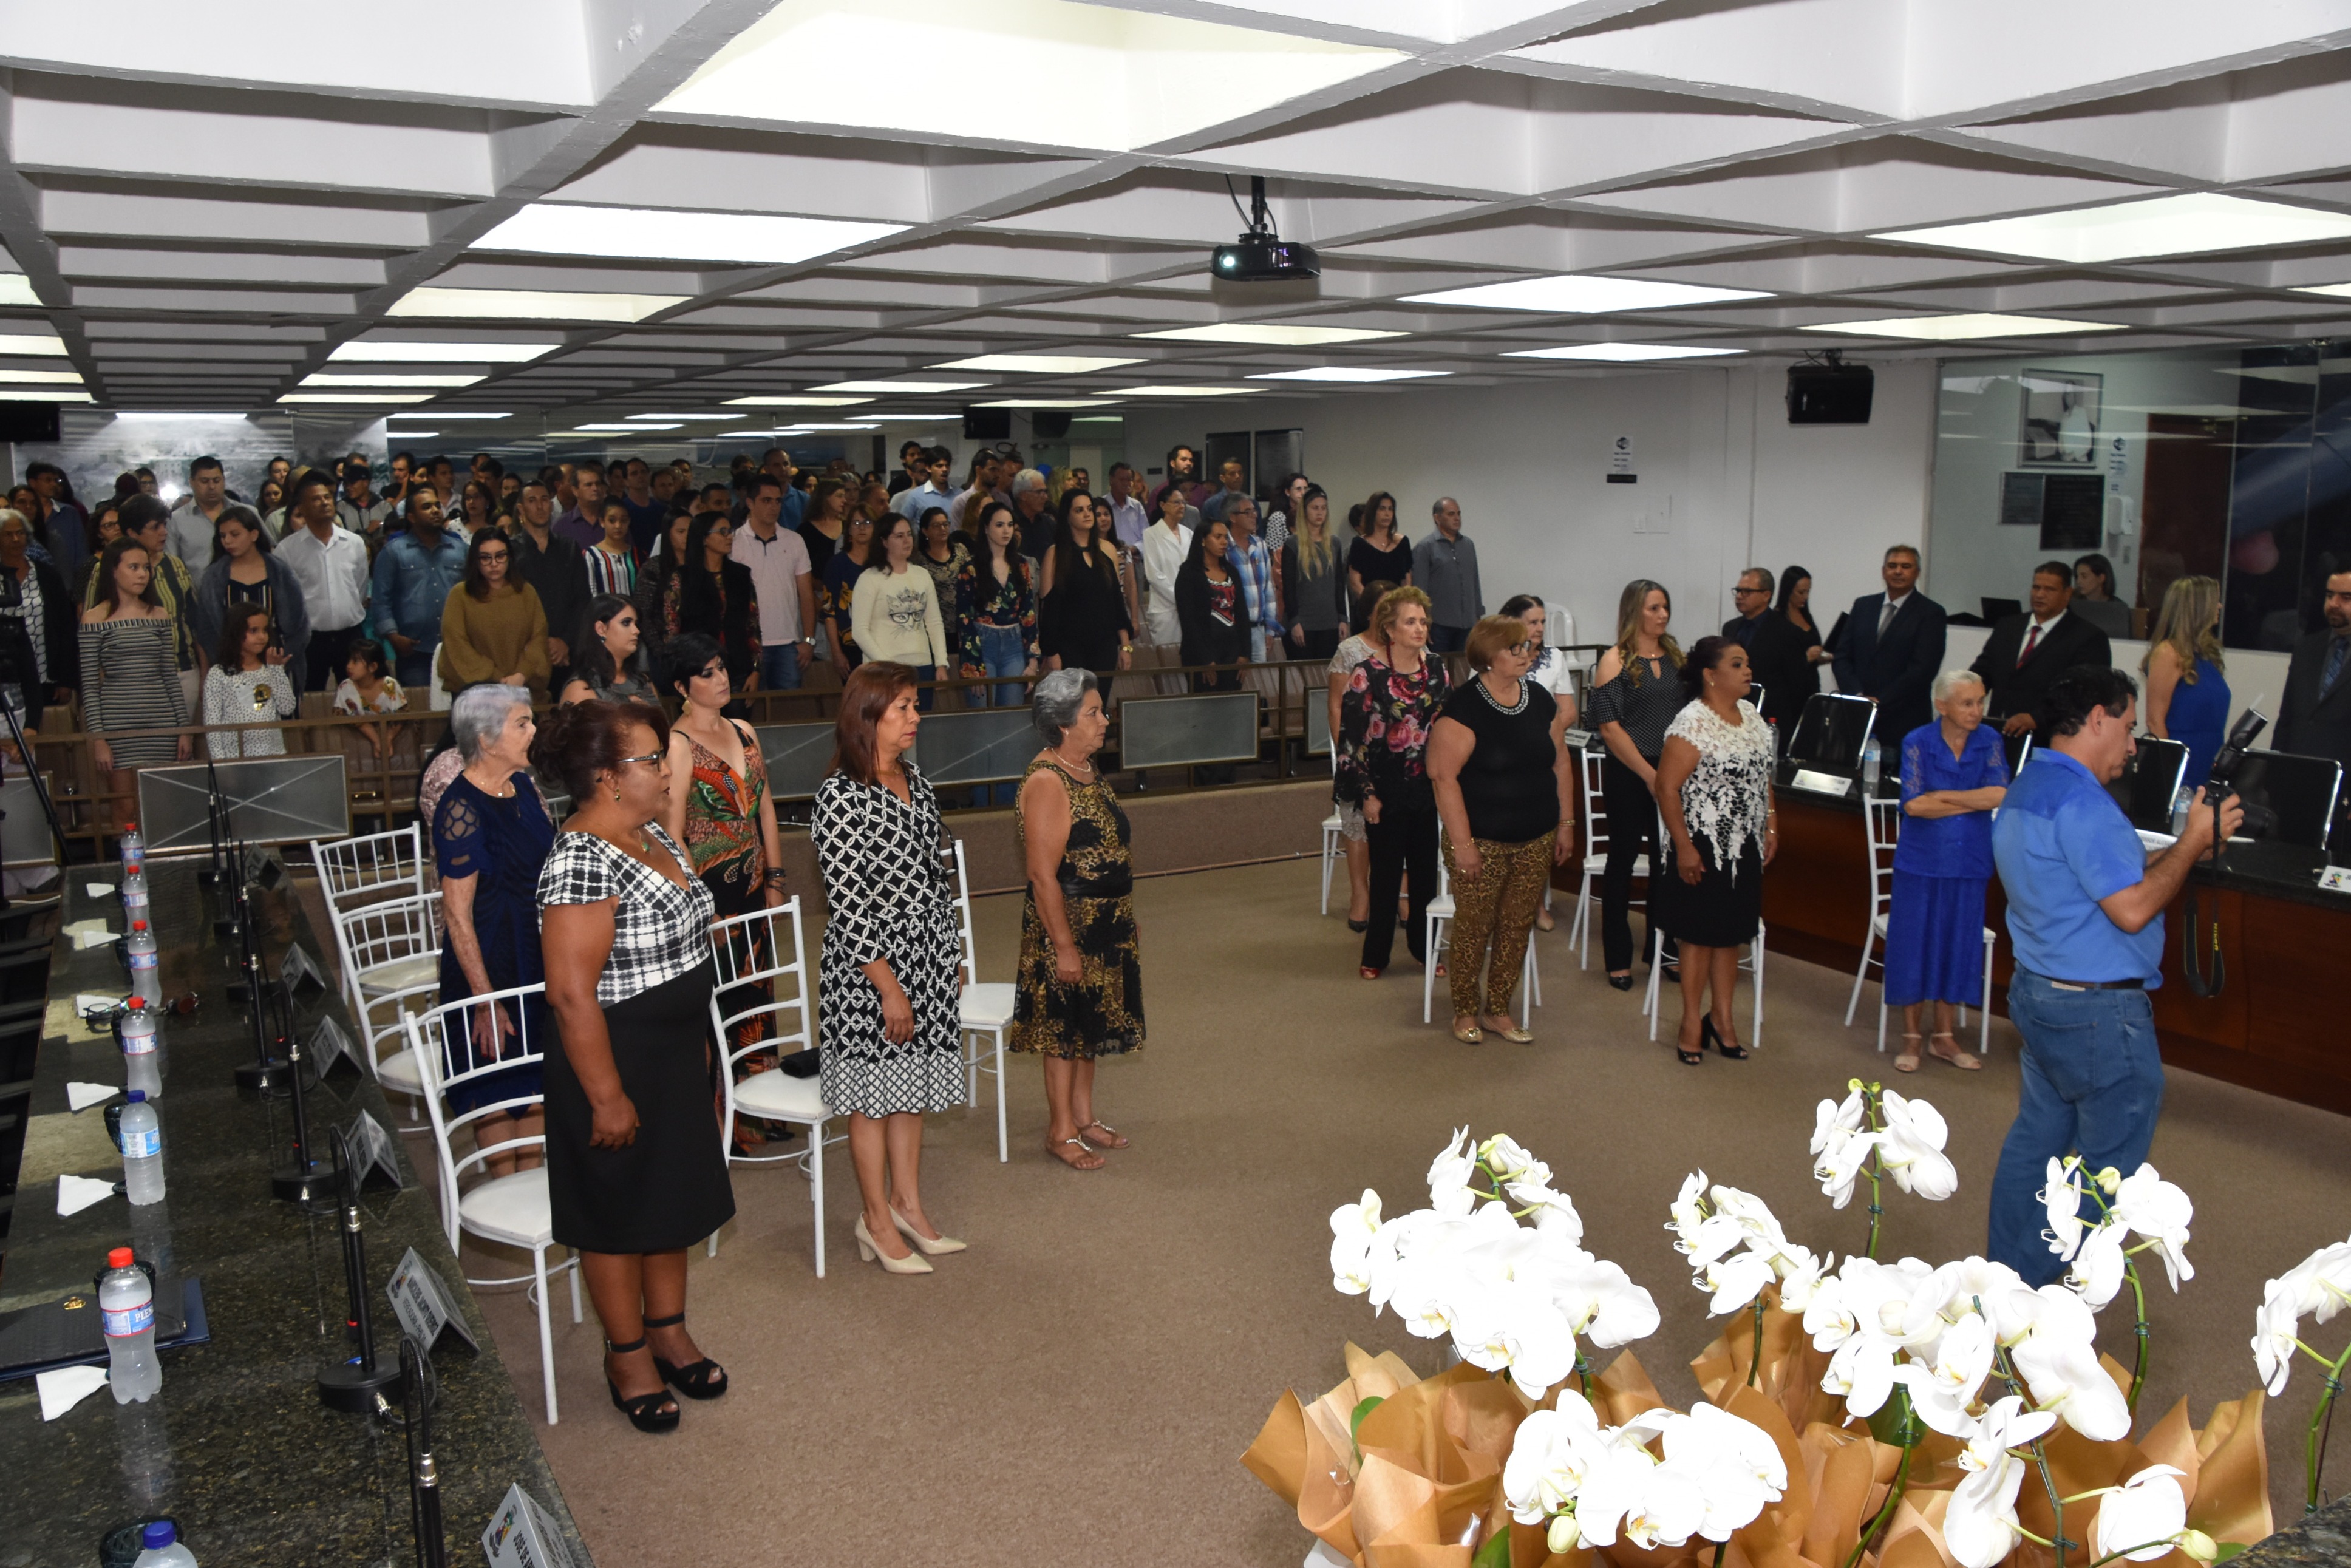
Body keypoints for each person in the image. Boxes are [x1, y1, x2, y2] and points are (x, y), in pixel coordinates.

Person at [1985, 667, 2244, 1285]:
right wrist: (2190, 844)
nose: (2132, 745)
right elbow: (2130, 909)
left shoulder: (2029, 785)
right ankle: (2023, 1303)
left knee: (2036, 1146)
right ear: (2097, 719)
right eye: (2127, 728)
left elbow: (2105, 873)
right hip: (2097, 1016)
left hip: (2040, 995)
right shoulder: (2084, 803)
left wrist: (2185, 847)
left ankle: (1998, 1283)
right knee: (2106, 1173)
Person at [534, 699, 735, 1433]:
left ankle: (668, 1331)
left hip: (671, 1054)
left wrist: (698, 1043)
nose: (666, 770)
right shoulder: (581, 859)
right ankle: (626, 1357)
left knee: (669, 1200)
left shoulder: (650, 835)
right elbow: (570, 994)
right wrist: (607, 1098)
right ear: (608, 777)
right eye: (651, 760)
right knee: (618, 1214)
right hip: (612, 1061)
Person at [811, 664, 967, 1274]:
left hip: (925, 953)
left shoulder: (915, 779)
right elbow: (848, 904)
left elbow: (934, 875)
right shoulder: (839, 796)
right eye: (902, 707)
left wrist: (950, 952)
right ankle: (874, 1219)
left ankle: (908, 1204)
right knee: (873, 1096)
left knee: (911, 1086)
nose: (914, 717)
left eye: (914, 705)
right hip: (869, 968)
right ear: (867, 715)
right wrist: (889, 989)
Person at [1010, 670, 1143, 1170]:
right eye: (1093, 712)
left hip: (1106, 923)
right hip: (1067, 924)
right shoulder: (1048, 780)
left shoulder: (1084, 767)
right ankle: (1060, 1130)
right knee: (1063, 1031)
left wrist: (1124, 915)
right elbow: (1042, 875)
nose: (1105, 719)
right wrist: (1064, 946)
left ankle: (1084, 1117)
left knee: (1090, 1024)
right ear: (1063, 723)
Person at [1426, 614, 1572, 1045]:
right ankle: (1465, 1010)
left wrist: (1566, 823)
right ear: (1489, 657)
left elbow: (1560, 761)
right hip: (1481, 840)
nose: (1526, 654)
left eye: (1527, 646)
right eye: (1515, 648)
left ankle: (1498, 1010)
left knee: (1517, 924)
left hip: (1537, 836)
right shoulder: (1464, 707)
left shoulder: (1539, 699)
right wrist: (1463, 845)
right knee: (1475, 926)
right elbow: (1443, 778)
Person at [434, 685, 552, 1182]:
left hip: (533, 955)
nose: (533, 730)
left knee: (537, 1082)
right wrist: (485, 1000)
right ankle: (508, 1194)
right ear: (485, 739)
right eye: (522, 723)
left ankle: (533, 1192)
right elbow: (457, 915)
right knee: (497, 1089)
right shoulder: (460, 808)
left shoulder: (521, 786)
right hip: (487, 966)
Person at [1651, 636, 1775, 1066]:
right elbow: (1666, 787)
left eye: (1747, 663)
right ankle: (1690, 1021)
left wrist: (1771, 823)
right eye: (1737, 664)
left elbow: (1763, 777)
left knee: (1730, 935)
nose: (1747, 670)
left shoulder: (1752, 716)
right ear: (1710, 675)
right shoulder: (1693, 722)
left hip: (1746, 844)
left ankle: (1722, 1019)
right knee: (1700, 935)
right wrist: (1684, 847)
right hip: (1701, 843)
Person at [1883, 670, 2010, 1072]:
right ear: (1942, 706)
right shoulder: (1917, 741)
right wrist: (1969, 801)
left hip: (1969, 861)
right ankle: (1911, 1037)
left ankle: (1944, 1035)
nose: (1977, 710)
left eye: (1980, 701)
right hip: (1920, 862)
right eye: (1967, 703)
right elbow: (1915, 805)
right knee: (1915, 945)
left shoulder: (1990, 741)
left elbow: (2000, 794)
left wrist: (1945, 796)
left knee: (1958, 944)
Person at [1338, 586, 1449, 980]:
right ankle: (1376, 955)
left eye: (1423, 621)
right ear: (1390, 628)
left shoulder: (1436, 668)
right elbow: (1351, 743)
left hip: (1426, 789)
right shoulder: (1366, 673)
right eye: (1410, 622)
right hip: (1383, 790)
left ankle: (1424, 948)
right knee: (1385, 878)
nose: (1419, 628)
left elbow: (1447, 727)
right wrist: (1367, 794)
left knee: (1425, 876)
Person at [1587, 579, 1684, 991]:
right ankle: (1618, 958)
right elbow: (1610, 729)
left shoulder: (1676, 657)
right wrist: (1649, 775)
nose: (1663, 615)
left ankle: (1663, 950)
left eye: (1665, 607)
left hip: (1671, 772)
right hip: (1630, 772)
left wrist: (1669, 776)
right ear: (1634, 611)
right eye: (1654, 608)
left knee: (1669, 863)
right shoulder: (1615, 660)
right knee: (1623, 861)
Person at [80, 540, 192, 816]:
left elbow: (169, 676)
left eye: (146, 568)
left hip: (161, 724)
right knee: (125, 808)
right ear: (113, 570)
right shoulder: (93, 619)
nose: (143, 574)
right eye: (134, 567)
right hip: (118, 727)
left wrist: (183, 729)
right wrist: (99, 739)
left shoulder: (159, 614)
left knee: (162, 808)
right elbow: (90, 685)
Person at [1970, 560, 2113, 737]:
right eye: (2036, 588)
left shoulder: (2088, 637)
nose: (2040, 595)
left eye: (2050, 590)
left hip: (2050, 738)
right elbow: (1982, 672)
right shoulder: (2008, 626)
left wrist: (2037, 718)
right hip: (1999, 731)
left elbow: (2085, 695)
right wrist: (1960, 695)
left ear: (2067, 593)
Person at [1327, 582, 1398, 931]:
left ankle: (1401, 894)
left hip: (1400, 751)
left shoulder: (1412, 646)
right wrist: (1349, 755)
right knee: (1358, 824)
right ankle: (1361, 894)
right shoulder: (1350, 650)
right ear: (1370, 613)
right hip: (1359, 751)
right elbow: (1336, 707)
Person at [1832, 545, 1947, 753]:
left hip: (1903, 721)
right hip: (1857, 716)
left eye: (1906, 566)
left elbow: (1922, 670)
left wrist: (1879, 703)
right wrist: (1858, 696)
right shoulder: (1863, 606)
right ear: (1884, 571)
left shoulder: (1931, 613)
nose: (1898, 571)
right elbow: (1841, 657)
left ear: (1917, 573)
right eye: (1892, 566)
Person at [189, 507, 310, 694]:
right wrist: (229, 662)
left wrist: (283, 658)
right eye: (223, 536)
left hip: (278, 662)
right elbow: (206, 629)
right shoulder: (214, 577)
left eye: (235, 534)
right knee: (244, 713)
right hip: (232, 668)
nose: (227, 541)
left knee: (281, 711)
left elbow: (301, 624)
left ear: (254, 535)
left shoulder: (280, 571)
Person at [275, 471, 372, 693]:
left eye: (328, 497)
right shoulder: (287, 550)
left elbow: (359, 587)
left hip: (351, 636)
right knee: (310, 698)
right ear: (302, 507)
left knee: (359, 697)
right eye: (316, 499)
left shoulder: (354, 543)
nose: (325, 502)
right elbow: (285, 599)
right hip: (310, 640)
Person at [370, 483, 468, 690]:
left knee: (461, 706)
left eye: (437, 506)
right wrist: (394, 637)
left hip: (457, 649)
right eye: (426, 507)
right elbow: (381, 601)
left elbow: (474, 596)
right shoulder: (393, 553)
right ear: (412, 517)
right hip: (414, 652)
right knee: (420, 708)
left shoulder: (461, 550)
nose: (435, 510)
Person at [437, 529, 551, 699]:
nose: (494, 564)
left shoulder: (526, 592)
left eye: (500, 556)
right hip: (476, 696)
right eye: (485, 558)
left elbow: (538, 638)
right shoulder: (460, 595)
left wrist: (522, 674)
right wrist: (497, 678)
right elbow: (457, 645)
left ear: (510, 557)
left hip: (523, 691)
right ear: (475, 560)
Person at [2140, 574, 2230, 785]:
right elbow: (2155, 722)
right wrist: (2170, 773)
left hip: (2208, 760)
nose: (2219, 606)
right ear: (2198, 607)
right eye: (2215, 600)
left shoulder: (2206, 655)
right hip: (2179, 764)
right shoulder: (2168, 653)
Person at [1038, 489, 1134, 685]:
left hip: (1104, 644)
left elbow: (1117, 603)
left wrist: (1126, 646)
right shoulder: (1055, 554)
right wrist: (1052, 652)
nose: (1087, 514)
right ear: (1068, 516)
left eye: (1090, 509)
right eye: (1079, 510)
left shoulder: (1107, 551)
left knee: (1100, 699)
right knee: (1074, 700)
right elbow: (1048, 609)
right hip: (1069, 645)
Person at [854, 514, 950, 702]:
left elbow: (934, 623)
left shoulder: (922, 575)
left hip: (922, 665)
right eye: (899, 536)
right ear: (884, 542)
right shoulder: (869, 579)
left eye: (909, 534)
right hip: (884, 670)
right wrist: (888, 666)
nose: (907, 541)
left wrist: (941, 663)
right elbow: (860, 631)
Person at [736, 474, 815, 694]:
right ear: (750, 503)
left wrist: (809, 640)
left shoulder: (795, 540)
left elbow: (806, 595)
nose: (774, 507)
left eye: (778, 501)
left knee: (788, 707)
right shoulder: (734, 542)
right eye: (766, 501)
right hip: (749, 643)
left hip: (789, 643)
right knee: (750, 706)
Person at [665, 514, 761, 693]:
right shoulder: (682, 578)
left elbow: (753, 625)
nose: (729, 537)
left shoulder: (741, 575)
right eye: (723, 532)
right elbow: (672, 629)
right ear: (704, 539)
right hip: (697, 669)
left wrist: (756, 670)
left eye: (730, 531)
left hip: (739, 668)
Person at [0, 510, 75, 733]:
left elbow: (65, 627)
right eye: (8, 534)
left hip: (45, 676)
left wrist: (66, 679)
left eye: (20, 533)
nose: (16, 539)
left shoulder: (47, 575)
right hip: (6, 677)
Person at [508, 478, 586, 691]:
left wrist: (565, 642)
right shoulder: (510, 552)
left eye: (544, 499)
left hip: (568, 652)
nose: (540, 506)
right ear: (521, 509)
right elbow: (511, 605)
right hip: (525, 654)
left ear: (552, 505)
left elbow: (582, 601)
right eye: (532, 501)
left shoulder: (569, 548)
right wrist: (541, 645)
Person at [2276, 568, 2351, 771]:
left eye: (2346, 598)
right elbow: (2286, 719)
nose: (2334, 604)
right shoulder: (2307, 648)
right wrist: (2275, 770)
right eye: (2330, 595)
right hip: (2298, 769)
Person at [202, 603, 298, 759]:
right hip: (235, 759)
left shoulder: (270, 670)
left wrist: (277, 671)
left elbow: (287, 708)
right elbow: (212, 724)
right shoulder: (219, 674)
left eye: (265, 630)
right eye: (254, 631)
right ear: (235, 633)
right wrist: (221, 763)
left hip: (273, 756)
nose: (262, 637)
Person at [1176, 517, 1248, 690]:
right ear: (1203, 540)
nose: (1224, 542)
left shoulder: (1231, 571)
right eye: (1218, 537)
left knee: (1232, 702)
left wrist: (1245, 653)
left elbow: (1242, 613)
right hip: (1201, 654)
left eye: (1226, 537)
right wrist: (1206, 659)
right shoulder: (1189, 573)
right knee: (1205, 703)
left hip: (1232, 652)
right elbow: (1188, 620)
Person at [1281, 485, 1347, 664]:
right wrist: (1294, 622)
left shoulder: (1334, 543)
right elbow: (1289, 588)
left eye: (1323, 508)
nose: (1320, 513)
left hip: (1330, 623)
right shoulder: (1293, 544)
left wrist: (1343, 618)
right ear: (1305, 511)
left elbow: (1339, 584)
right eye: (1315, 508)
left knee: (1325, 673)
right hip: (1303, 623)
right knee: (1303, 674)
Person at [1763, 563, 1827, 742]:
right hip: (1790, 692)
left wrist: (1823, 657)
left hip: (1811, 687)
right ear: (1788, 591)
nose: (1805, 597)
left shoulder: (1806, 615)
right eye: (1801, 592)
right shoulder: (1777, 620)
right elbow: (1778, 661)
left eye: (1808, 592)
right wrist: (1805, 658)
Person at [164, 455, 260, 570]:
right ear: (192, 482)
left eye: (216, 481)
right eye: (204, 481)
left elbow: (268, 552)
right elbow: (171, 566)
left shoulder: (249, 513)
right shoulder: (176, 520)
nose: (212, 487)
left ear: (223, 480)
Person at [1413, 497, 1482, 654]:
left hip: (1467, 623)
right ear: (1437, 518)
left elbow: (1474, 583)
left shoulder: (1468, 545)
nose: (1457, 518)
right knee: (1439, 666)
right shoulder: (1425, 547)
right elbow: (1419, 591)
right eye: (1451, 514)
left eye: (1459, 514)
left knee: (1464, 667)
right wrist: (1423, 622)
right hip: (1439, 625)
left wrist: (1478, 615)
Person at [562, 594, 659, 707]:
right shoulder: (581, 689)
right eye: (626, 623)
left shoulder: (643, 682)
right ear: (601, 629)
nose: (636, 630)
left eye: (636, 624)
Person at [1222, 494, 1282, 664]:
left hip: (1258, 629)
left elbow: (1269, 591)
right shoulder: (1223, 546)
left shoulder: (1260, 545)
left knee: (1259, 678)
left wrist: (1270, 629)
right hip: (1232, 629)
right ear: (1233, 517)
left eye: (1254, 511)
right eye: (1247, 512)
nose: (1254, 516)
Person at [820, 512, 876, 680]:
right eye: (856, 523)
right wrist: (836, 652)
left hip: (882, 641)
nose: (862, 527)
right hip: (849, 644)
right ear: (848, 529)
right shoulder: (836, 564)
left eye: (867, 522)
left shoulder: (882, 563)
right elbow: (829, 612)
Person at [1346, 491, 1412, 632]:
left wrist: (1398, 606)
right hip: (1369, 614)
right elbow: (1355, 582)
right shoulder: (1360, 544)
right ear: (1373, 512)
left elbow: (1406, 580)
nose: (1387, 514)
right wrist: (1375, 606)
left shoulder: (1402, 543)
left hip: (1396, 612)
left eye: (1390, 509)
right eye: (1382, 509)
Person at [333, 639, 406, 764]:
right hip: (354, 742)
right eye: (349, 660)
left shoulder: (390, 685)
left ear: (373, 667)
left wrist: (387, 740)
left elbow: (401, 716)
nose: (349, 666)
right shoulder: (346, 687)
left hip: (394, 739)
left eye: (355, 661)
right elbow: (354, 719)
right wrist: (377, 741)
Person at [1140, 482, 1193, 648]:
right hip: (1165, 608)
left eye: (1183, 503)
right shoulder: (1151, 534)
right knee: (1168, 656)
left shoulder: (1189, 534)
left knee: (1190, 654)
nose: (1182, 506)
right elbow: (1154, 575)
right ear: (1163, 505)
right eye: (1176, 502)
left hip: (1189, 606)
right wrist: (1180, 597)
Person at [914, 507, 968, 662]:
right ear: (925, 531)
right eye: (936, 526)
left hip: (963, 623)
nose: (943, 529)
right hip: (935, 626)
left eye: (945, 524)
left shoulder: (961, 550)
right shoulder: (918, 559)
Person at [583, 498, 640, 600]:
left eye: (623, 521)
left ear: (629, 522)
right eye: (612, 521)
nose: (618, 526)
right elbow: (590, 592)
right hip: (604, 609)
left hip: (634, 609)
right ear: (602, 522)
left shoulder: (638, 555)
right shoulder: (591, 555)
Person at [2070, 554, 2132, 640]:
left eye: (2084, 576)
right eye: (2077, 577)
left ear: (2101, 578)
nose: (2078, 581)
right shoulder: (2072, 606)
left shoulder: (2118, 609)